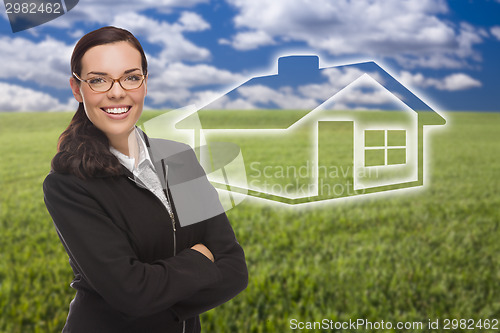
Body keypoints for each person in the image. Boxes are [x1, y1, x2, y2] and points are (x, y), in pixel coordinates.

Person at [43, 26, 248, 333]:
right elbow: (132, 294)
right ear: (77, 89)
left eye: (131, 77)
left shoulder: (179, 159)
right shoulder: (68, 185)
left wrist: (155, 301)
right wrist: (201, 259)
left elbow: (233, 269)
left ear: (145, 83)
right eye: (98, 80)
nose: (117, 91)